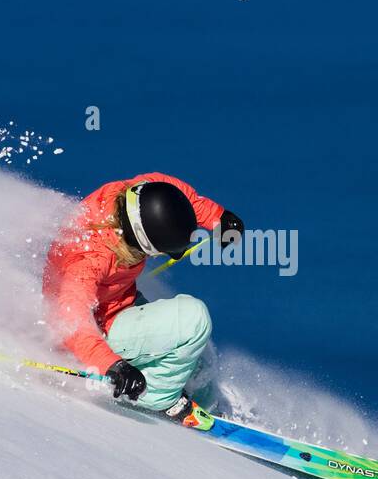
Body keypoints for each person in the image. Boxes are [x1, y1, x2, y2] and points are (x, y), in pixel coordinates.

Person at [42, 173, 243, 422]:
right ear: (143, 241)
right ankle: (157, 399)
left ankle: (211, 411)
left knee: (196, 355)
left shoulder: (136, 193)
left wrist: (218, 219)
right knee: (193, 320)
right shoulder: (89, 257)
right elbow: (69, 319)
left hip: (118, 305)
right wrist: (111, 365)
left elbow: (176, 194)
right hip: (95, 334)